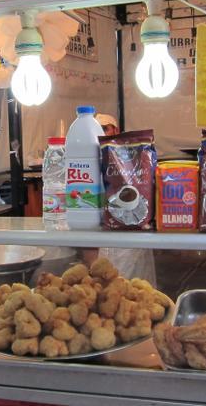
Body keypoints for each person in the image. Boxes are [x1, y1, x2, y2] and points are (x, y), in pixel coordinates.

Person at [84, 112, 157, 284]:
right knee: (109, 289)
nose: (99, 134)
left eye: (104, 128)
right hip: (104, 234)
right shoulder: (90, 157)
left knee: (140, 290)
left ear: (115, 129)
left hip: (132, 233)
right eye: (95, 130)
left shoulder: (131, 152)